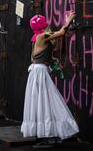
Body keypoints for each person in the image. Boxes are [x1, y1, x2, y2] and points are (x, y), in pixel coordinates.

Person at [21, 11, 79, 148]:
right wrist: (69, 19)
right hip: (40, 73)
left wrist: (50, 59)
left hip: (38, 72)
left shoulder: (37, 38)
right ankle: (45, 134)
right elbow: (61, 33)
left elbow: (34, 57)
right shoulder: (42, 36)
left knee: (41, 102)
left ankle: (44, 133)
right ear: (43, 27)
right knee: (45, 101)